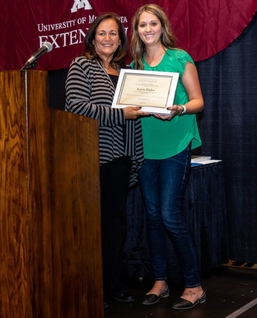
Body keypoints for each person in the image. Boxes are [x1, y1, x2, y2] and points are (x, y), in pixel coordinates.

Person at [65, 12, 148, 306]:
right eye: (102, 33)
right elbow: (74, 106)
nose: (108, 38)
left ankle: (112, 286)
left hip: (122, 159)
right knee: (95, 226)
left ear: (121, 40)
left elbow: (136, 115)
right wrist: (119, 114)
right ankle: (96, 288)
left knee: (115, 227)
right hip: (94, 158)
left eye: (113, 34)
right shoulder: (82, 65)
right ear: (92, 37)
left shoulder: (126, 72)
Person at [130, 4, 205, 310]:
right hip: (146, 149)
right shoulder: (134, 66)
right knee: (152, 217)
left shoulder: (180, 58)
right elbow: (131, 106)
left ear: (162, 26)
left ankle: (194, 286)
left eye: (152, 24)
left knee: (170, 214)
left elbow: (198, 101)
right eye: (141, 25)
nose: (147, 29)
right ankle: (159, 282)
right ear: (136, 31)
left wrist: (179, 108)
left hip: (176, 143)